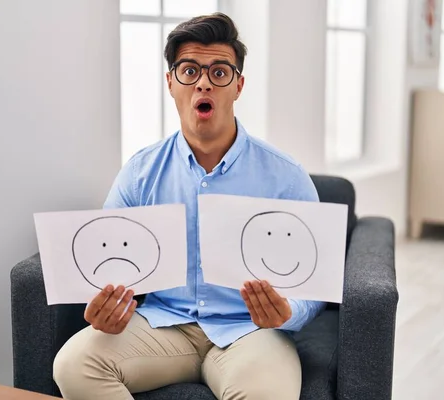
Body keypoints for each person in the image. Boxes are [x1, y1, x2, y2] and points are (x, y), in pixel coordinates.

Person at [53, 12, 325, 400]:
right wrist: (102, 304)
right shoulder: (140, 173)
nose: (203, 83)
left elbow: (313, 286)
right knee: (73, 365)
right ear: (171, 83)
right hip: (163, 326)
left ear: (238, 85)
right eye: (189, 70)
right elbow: (103, 262)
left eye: (219, 72)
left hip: (250, 331)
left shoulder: (287, 176)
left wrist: (287, 312)